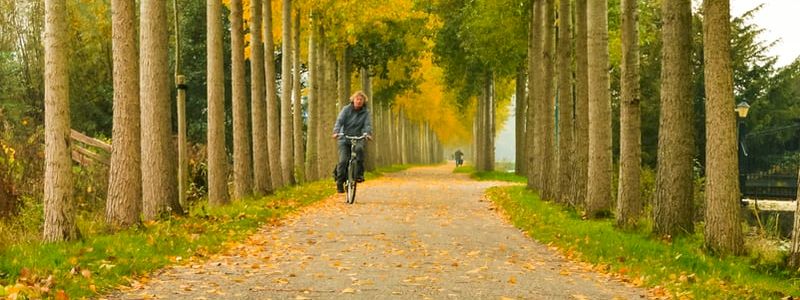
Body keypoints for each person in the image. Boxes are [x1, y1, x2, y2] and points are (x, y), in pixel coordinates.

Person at [332, 91, 372, 193]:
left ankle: (359, 174)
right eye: (357, 99)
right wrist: (336, 132)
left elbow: (367, 124)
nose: (359, 101)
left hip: (358, 137)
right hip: (344, 137)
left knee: (359, 150)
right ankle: (340, 182)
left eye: (361, 100)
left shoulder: (366, 112)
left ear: (363, 102)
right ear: (353, 100)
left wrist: (367, 133)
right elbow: (340, 121)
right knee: (343, 160)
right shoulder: (346, 109)